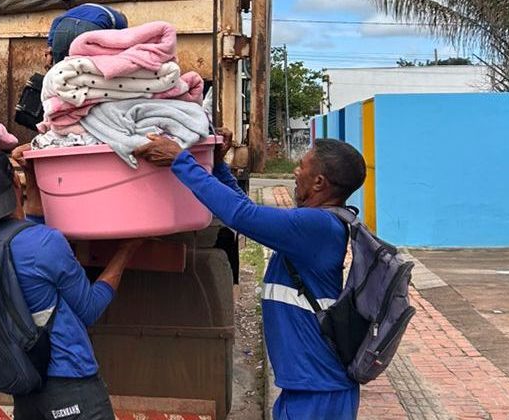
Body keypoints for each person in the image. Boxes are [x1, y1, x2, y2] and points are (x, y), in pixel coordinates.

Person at [133, 132, 366, 420]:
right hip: (307, 387)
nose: (295, 171)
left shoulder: (317, 226)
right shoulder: (315, 224)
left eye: (302, 166)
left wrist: (182, 161)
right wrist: (218, 166)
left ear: (319, 182)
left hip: (319, 394)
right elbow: (247, 210)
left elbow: (241, 214)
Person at [0, 145, 141, 420]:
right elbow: (90, 309)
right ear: (13, 182)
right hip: (70, 382)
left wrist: (32, 176)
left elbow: (26, 225)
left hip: (25, 386)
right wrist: (126, 251)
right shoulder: (46, 243)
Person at [47, 4, 128, 63]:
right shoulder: (120, 18)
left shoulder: (82, 7)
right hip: (89, 28)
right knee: (87, 67)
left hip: (64, 26)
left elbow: (56, 20)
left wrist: (50, 47)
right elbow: (121, 41)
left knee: (58, 69)